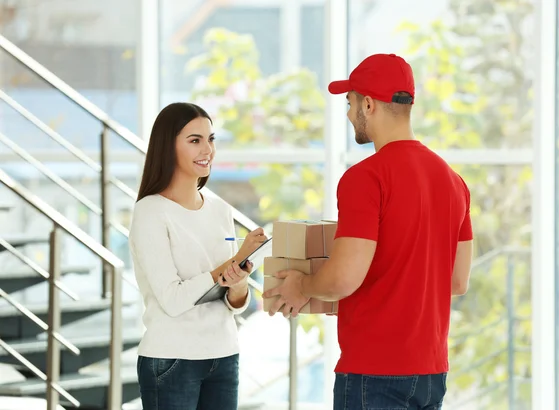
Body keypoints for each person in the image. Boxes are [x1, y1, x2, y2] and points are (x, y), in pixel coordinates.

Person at [263, 54, 473, 410]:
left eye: (350, 103)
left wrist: (303, 286)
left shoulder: (366, 178)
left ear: (369, 104)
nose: (348, 114)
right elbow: (456, 282)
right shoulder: (453, 181)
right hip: (431, 374)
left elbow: (343, 278)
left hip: (374, 376)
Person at [129, 102, 265, 409]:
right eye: (195, 140)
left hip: (223, 354)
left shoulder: (219, 209)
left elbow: (232, 302)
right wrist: (231, 263)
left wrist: (239, 278)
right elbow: (173, 299)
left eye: (211, 139)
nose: (208, 150)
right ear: (168, 147)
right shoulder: (150, 211)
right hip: (172, 360)